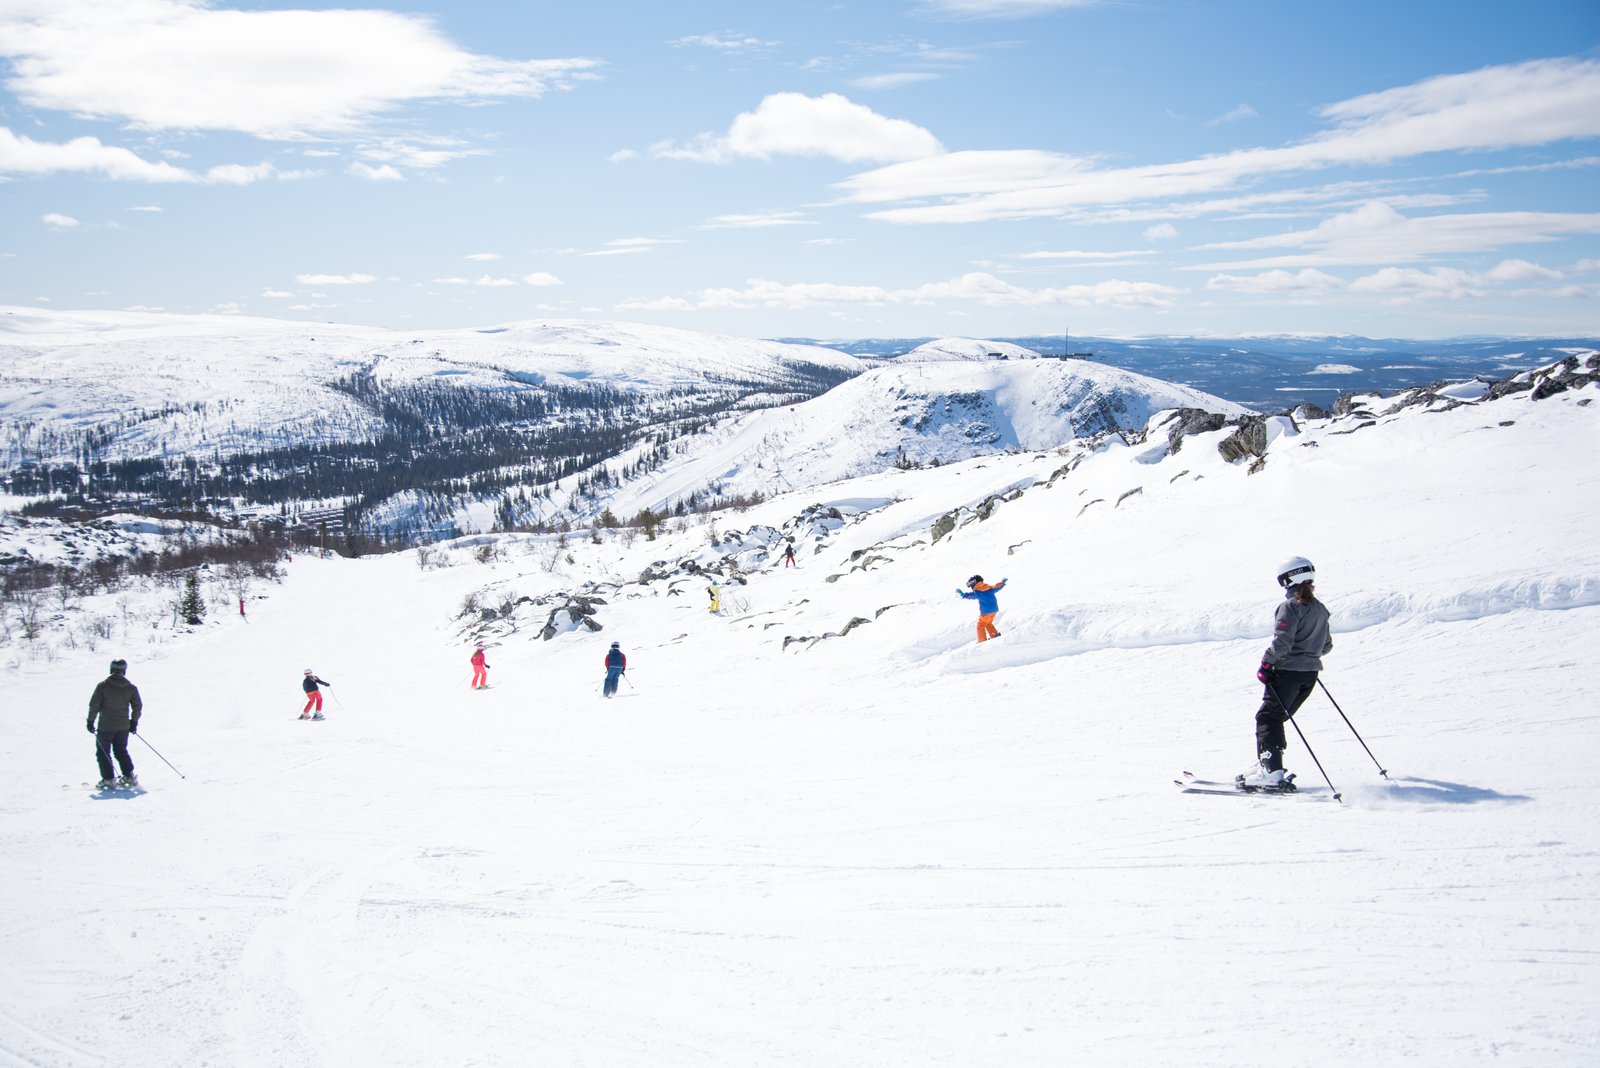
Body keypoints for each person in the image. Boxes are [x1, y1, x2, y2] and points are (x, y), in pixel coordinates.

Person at [1240, 556, 1334, 789]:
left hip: (1287, 673)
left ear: (1290, 579)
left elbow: (1282, 643)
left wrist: (1266, 664)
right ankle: (1269, 763)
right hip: (1309, 675)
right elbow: (1326, 645)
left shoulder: (1290, 606)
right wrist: (1308, 655)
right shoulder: (1320, 609)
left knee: (1268, 718)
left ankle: (1271, 772)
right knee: (1278, 717)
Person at [87, 658, 143, 789]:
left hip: (106, 726)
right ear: (124, 671)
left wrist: (90, 722)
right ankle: (129, 776)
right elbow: (137, 707)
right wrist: (134, 722)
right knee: (121, 750)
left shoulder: (103, 686)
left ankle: (108, 779)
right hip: (123, 726)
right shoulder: (131, 688)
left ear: (111, 669)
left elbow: (94, 706)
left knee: (103, 752)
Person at [957, 574, 1007, 642]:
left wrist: (963, 595)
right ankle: (994, 635)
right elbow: (997, 587)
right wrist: (1002, 582)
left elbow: (971, 596)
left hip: (986, 611)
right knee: (988, 623)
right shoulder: (989, 588)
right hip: (994, 610)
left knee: (980, 625)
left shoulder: (977, 591)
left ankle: (982, 640)